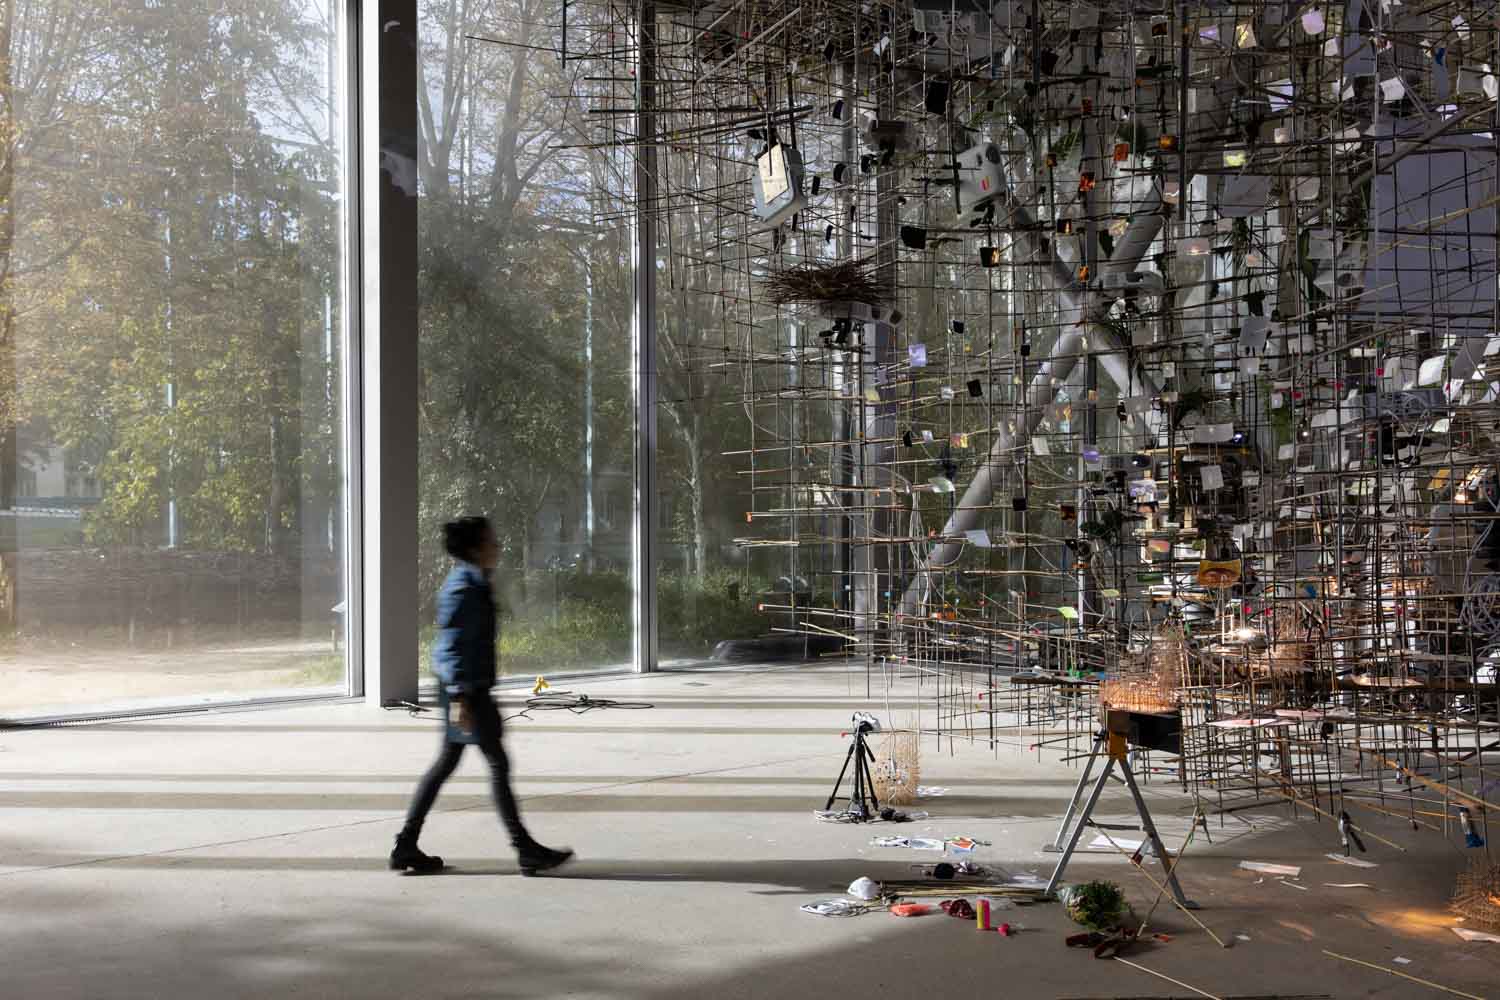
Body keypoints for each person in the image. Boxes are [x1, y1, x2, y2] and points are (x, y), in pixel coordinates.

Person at [391, 516, 573, 875]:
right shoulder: (463, 588)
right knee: (495, 763)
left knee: (449, 763)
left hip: (467, 688)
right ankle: (525, 849)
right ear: (475, 549)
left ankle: (406, 844)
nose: (498, 547)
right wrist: (461, 698)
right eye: (491, 541)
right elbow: (452, 648)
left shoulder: (473, 582)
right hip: (465, 691)